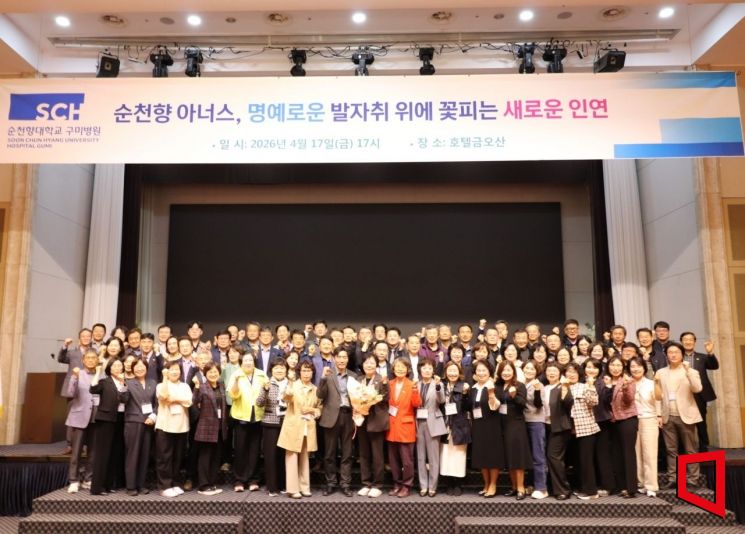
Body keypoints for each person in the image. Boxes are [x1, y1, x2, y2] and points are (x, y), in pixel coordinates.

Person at [655, 342, 703, 489]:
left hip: (687, 415)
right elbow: (657, 395)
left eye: (676, 352)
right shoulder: (661, 372)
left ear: (682, 354)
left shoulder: (691, 371)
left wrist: (688, 372)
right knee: (671, 449)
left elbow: (697, 389)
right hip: (667, 415)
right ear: (666, 355)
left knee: (690, 449)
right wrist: (658, 414)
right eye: (670, 352)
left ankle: (693, 479)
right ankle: (673, 478)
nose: (673, 355)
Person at [278, 360, 321, 499]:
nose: (306, 373)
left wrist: (312, 410)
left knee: (305, 458)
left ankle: (304, 487)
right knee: (291, 457)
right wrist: (289, 387)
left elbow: (319, 409)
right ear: (299, 372)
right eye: (303, 370)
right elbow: (286, 397)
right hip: (293, 426)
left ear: (312, 372)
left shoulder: (316, 389)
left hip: (308, 426)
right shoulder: (293, 385)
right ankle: (293, 489)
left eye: (309, 370)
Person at [317, 348, 358, 496]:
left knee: (347, 453)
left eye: (344, 357)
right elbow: (320, 395)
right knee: (329, 453)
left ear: (347, 359)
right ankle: (331, 483)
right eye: (339, 357)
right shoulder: (327, 374)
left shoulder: (353, 376)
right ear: (334, 358)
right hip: (331, 416)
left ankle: (345, 484)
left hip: (348, 416)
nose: (341, 360)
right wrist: (322, 378)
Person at [228, 353, 267, 492]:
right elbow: (233, 395)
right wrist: (236, 383)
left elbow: (266, 392)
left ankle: (253, 479)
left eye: (250, 360)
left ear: (254, 361)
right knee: (240, 449)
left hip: (257, 416)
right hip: (241, 416)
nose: (248, 362)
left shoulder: (262, 374)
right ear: (241, 362)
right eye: (245, 360)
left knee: (255, 450)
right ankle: (239, 480)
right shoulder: (236, 375)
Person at [89, 358, 127, 496]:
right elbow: (93, 389)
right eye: (114, 366)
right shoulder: (105, 382)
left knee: (114, 453)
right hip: (105, 420)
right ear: (109, 368)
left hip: (120, 419)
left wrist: (123, 384)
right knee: (102, 454)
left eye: (120, 366)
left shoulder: (124, 382)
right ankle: (97, 487)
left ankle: (108, 485)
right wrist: (97, 372)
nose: (117, 368)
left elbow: (125, 399)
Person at [154, 361, 193, 498]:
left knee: (178, 457)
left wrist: (175, 399)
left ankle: (175, 483)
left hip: (181, 426)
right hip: (165, 426)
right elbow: (164, 396)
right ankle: (164, 486)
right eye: (171, 369)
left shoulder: (185, 386)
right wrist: (165, 378)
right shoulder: (161, 385)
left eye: (177, 369)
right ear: (166, 372)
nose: (175, 372)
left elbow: (188, 401)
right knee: (164, 457)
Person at [121, 358, 158, 496]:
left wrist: (153, 416)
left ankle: (141, 484)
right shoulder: (128, 383)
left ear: (147, 368)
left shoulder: (153, 383)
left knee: (145, 454)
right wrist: (122, 386)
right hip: (133, 422)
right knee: (133, 454)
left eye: (142, 366)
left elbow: (157, 403)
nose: (139, 369)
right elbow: (123, 399)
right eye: (136, 367)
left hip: (148, 422)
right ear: (132, 369)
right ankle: (131, 486)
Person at [387, 357, 422, 498]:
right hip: (391, 426)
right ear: (393, 369)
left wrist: (415, 390)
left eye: (403, 367)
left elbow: (417, 404)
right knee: (393, 460)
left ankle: (407, 486)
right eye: (397, 367)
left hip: (406, 427)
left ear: (408, 370)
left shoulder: (412, 384)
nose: (400, 369)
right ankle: (397, 484)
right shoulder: (389, 384)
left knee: (407, 461)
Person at [64, 349, 99, 493]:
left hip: (96, 418)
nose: (91, 360)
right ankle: (74, 480)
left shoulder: (101, 375)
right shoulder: (79, 373)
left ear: (97, 360)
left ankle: (88, 478)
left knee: (93, 452)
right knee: (76, 452)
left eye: (93, 358)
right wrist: (74, 377)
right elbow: (70, 393)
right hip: (79, 417)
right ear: (83, 360)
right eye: (88, 358)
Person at [496, 360, 531, 500]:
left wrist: (514, 395)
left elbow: (522, 404)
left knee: (517, 457)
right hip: (501, 424)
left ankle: (521, 487)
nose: (506, 373)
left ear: (513, 372)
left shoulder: (519, 385)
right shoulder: (498, 386)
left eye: (509, 370)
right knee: (509, 457)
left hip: (515, 425)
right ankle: (514, 486)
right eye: (503, 370)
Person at [192, 361, 228, 496]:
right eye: (210, 372)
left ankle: (212, 483)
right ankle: (203, 485)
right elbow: (194, 402)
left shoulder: (221, 385)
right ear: (205, 374)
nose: (213, 374)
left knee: (216, 456)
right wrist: (196, 388)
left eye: (215, 372)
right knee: (205, 457)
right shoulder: (201, 387)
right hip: (206, 427)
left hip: (220, 427)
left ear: (219, 373)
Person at [356, 354, 389, 498]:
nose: (369, 365)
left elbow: (386, 398)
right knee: (363, 453)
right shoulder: (358, 380)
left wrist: (385, 386)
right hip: (362, 420)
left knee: (377, 454)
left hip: (376, 420)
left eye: (372, 363)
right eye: (366, 363)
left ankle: (377, 484)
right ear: (362, 365)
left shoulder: (382, 379)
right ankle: (366, 483)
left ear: (376, 365)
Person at [565, 361, 599, 500]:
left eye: (574, 372)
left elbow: (593, 402)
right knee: (576, 461)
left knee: (586, 461)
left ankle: (591, 491)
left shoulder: (585, 386)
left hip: (585, 428)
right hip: (569, 430)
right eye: (569, 372)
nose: (571, 374)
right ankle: (580, 487)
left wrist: (590, 385)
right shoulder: (563, 387)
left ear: (579, 374)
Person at [680, 332, 719, 452]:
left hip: (699, 394)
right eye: (685, 339)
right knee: (683, 422)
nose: (688, 342)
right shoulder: (677, 357)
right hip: (682, 394)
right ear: (681, 342)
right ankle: (685, 448)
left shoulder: (702, 357)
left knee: (701, 421)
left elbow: (714, 366)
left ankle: (703, 446)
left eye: (690, 339)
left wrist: (710, 353)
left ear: (694, 342)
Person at [469, 359, 502, 498]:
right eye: (479, 370)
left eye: (484, 370)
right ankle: (486, 484)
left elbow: (496, 406)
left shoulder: (494, 386)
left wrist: (491, 394)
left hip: (491, 425)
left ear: (489, 372)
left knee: (492, 456)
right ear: (475, 373)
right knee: (481, 455)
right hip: (478, 426)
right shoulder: (473, 388)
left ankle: (493, 484)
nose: (481, 373)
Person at [256, 357, 290, 496]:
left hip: (287, 423)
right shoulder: (267, 383)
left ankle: (283, 484)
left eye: (282, 368)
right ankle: (271, 487)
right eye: (276, 368)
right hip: (270, 423)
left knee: (283, 456)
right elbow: (259, 403)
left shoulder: (291, 384)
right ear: (271, 370)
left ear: (286, 370)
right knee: (270, 456)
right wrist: (265, 390)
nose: (279, 370)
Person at [606, 355, 638, 498]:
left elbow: (629, 399)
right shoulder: (604, 381)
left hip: (627, 419)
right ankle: (621, 486)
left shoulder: (628, 380)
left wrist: (625, 388)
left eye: (618, 365)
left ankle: (631, 488)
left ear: (623, 367)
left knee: (628, 453)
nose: (615, 368)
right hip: (612, 422)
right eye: (613, 365)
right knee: (616, 454)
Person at [629, 356, 660, 497]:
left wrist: (659, 415)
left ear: (644, 368)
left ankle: (651, 485)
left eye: (638, 366)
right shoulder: (627, 383)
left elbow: (659, 400)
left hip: (649, 419)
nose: (636, 369)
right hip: (632, 420)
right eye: (632, 366)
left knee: (649, 453)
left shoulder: (651, 383)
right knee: (636, 453)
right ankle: (640, 483)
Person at [415, 359, 446, 497]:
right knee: (420, 456)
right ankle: (423, 486)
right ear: (420, 370)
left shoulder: (438, 384)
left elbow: (442, 400)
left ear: (433, 370)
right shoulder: (416, 384)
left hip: (433, 421)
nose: (427, 370)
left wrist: (438, 386)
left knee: (433, 457)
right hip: (418, 422)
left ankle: (432, 486)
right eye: (424, 368)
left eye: (429, 368)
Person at [439, 360, 470, 496]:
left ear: (459, 373)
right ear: (446, 372)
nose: (452, 373)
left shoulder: (464, 386)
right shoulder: (441, 386)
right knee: (445, 455)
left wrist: (465, 394)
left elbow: (468, 407)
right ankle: (448, 483)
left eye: (455, 371)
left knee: (458, 455)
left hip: (459, 425)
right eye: (450, 370)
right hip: (444, 425)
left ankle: (458, 483)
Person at [584, 358, 614, 497]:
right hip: (584, 422)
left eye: (595, 368)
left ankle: (608, 486)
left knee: (602, 454)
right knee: (587, 455)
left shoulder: (602, 382)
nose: (591, 370)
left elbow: (607, 401)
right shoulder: (580, 382)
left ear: (600, 370)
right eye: (589, 367)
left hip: (601, 421)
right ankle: (590, 486)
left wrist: (608, 387)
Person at [545, 361, 573, 500]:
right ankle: (552, 488)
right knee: (551, 458)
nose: (551, 373)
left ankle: (563, 490)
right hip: (546, 426)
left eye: (554, 371)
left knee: (554, 457)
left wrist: (565, 389)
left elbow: (568, 403)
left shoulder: (563, 387)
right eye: (549, 371)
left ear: (560, 374)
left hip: (560, 428)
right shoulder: (544, 388)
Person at [523, 360, 548, 499]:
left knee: (538, 456)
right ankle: (530, 484)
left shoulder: (539, 385)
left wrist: (537, 391)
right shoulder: (521, 384)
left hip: (536, 422)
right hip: (523, 422)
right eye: (527, 368)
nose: (529, 371)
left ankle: (541, 488)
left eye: (532, 369)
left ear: (537, 371)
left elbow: (539, 404)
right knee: (527, 456)